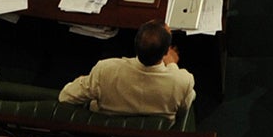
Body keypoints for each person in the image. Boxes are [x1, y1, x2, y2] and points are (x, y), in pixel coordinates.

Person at [59, 20, 195, 118]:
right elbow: (183, 109)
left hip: (108, 127)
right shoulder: (183, 81)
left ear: (135, 45)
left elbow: (65, 96)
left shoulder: (105, 70)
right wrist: (172, 64)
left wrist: (82, 80)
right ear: (166, 52)